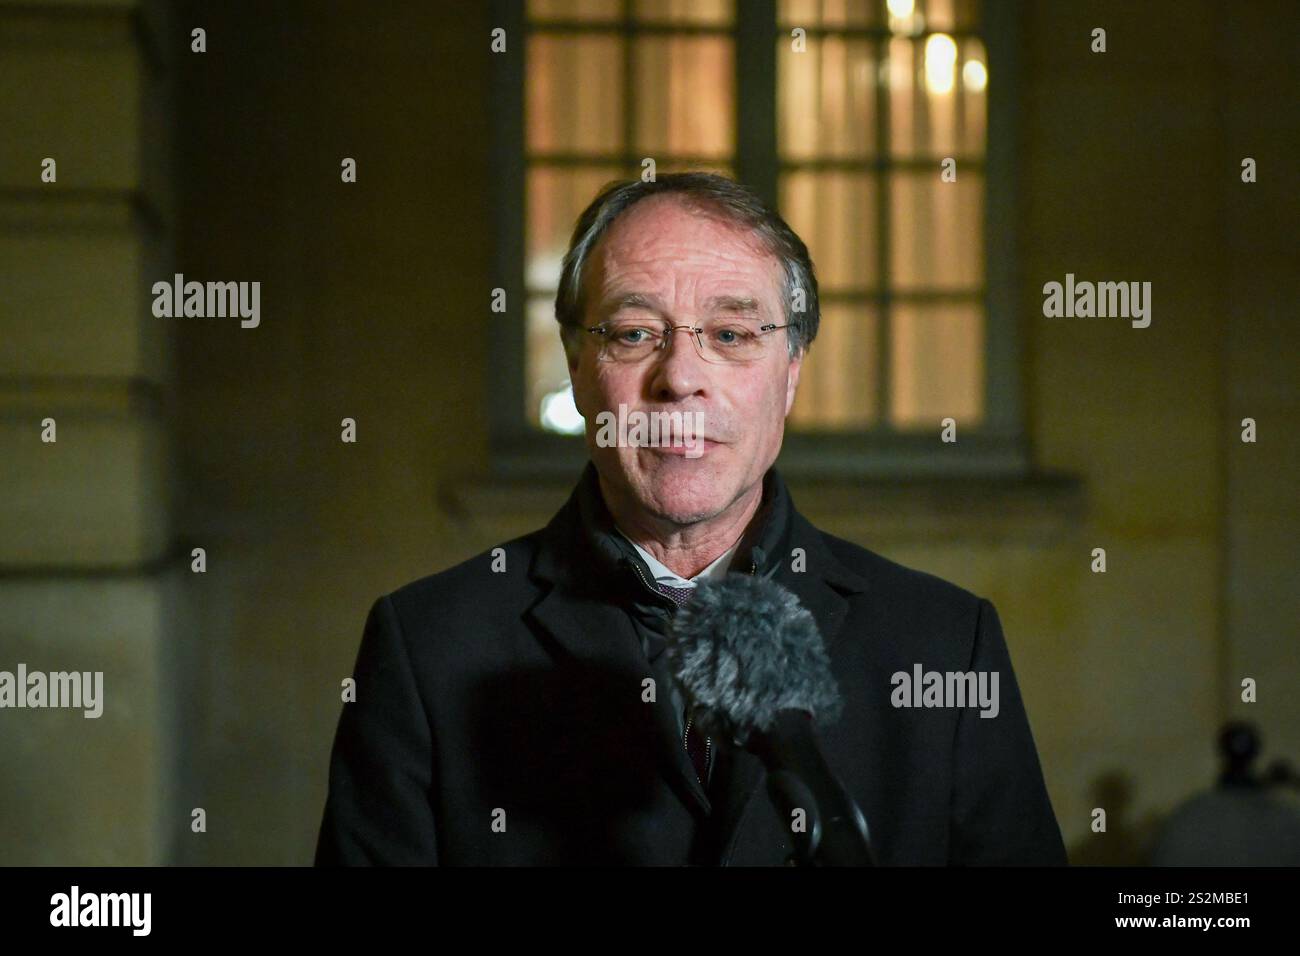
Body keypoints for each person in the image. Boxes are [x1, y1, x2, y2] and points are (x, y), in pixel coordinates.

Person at [314, 172, 1067, 866]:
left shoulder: (944, 641)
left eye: (733, 335)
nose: (679, 379)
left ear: (793, 371)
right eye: (635, 333)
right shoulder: (426, 648)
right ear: (578, 367)